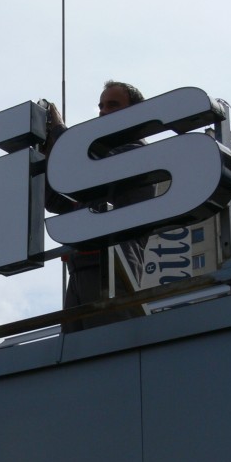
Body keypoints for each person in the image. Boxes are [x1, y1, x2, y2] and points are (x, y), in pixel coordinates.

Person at [41, 80, 154, 331]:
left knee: (108, 343)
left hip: (114, 265)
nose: (103, 111)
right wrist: (46, 151)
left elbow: (89, 168)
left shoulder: (136, 152)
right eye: (101, 106)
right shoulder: (98, 159)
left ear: (135, 113)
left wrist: (58, 131)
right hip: (80, 267)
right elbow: (55, 201)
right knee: (73, 349)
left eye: (113, 105)